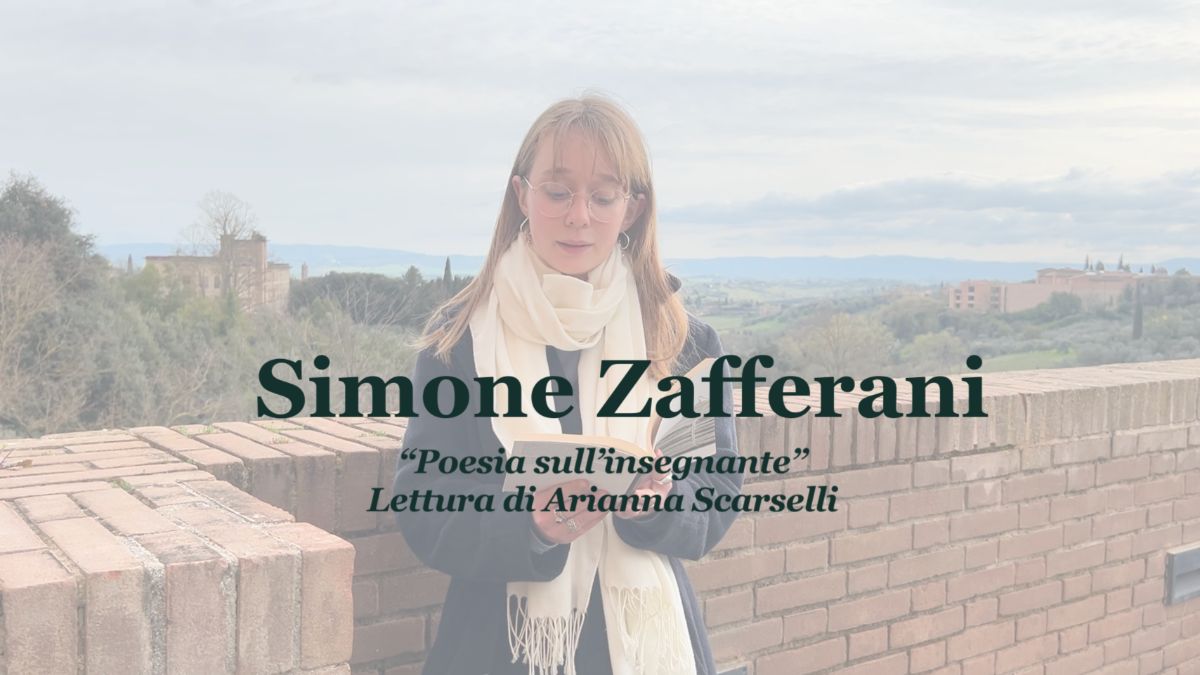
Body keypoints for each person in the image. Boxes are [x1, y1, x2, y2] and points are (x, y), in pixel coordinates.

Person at [393, 93, 743, 675]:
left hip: (645, 645)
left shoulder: (683, 341)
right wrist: (527, 525)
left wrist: (659, 506)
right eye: (557, 192)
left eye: (603, 197)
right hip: (501, 648)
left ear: (632, 209)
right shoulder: (459, 341)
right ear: (521, 194)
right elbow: (422, 502)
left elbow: (717, 491)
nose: (579, 216)